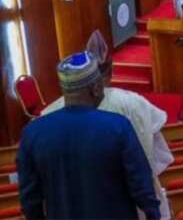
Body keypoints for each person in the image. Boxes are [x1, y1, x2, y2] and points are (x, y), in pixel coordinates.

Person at [42, 32, 172, 219]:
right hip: (133, 208)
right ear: (111, 70)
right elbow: (155, 161)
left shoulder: (47, 116)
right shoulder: (134, 103)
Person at [17, 52, 161, 220]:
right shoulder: (118, 126)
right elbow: (141, 186)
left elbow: (29, 199)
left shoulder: (33, 133)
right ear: (96, 88)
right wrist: (153, 214)